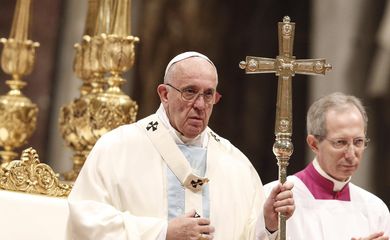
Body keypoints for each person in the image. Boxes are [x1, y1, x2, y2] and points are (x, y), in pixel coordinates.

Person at [68, 51, 295, 240]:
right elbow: (86, 220)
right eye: (189, 92)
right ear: (164, 94)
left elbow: (247, 233)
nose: (200, 105)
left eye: (208, 95)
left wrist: (267, 225)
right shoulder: (119, 147)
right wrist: (162, 233)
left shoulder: (235, 164)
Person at [264, 92, 390, 240]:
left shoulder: (374, 208)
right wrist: (270, 229)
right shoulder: (277, 200)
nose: (351, 154)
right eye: (340, 142)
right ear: (314, 144)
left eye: (358, 142)